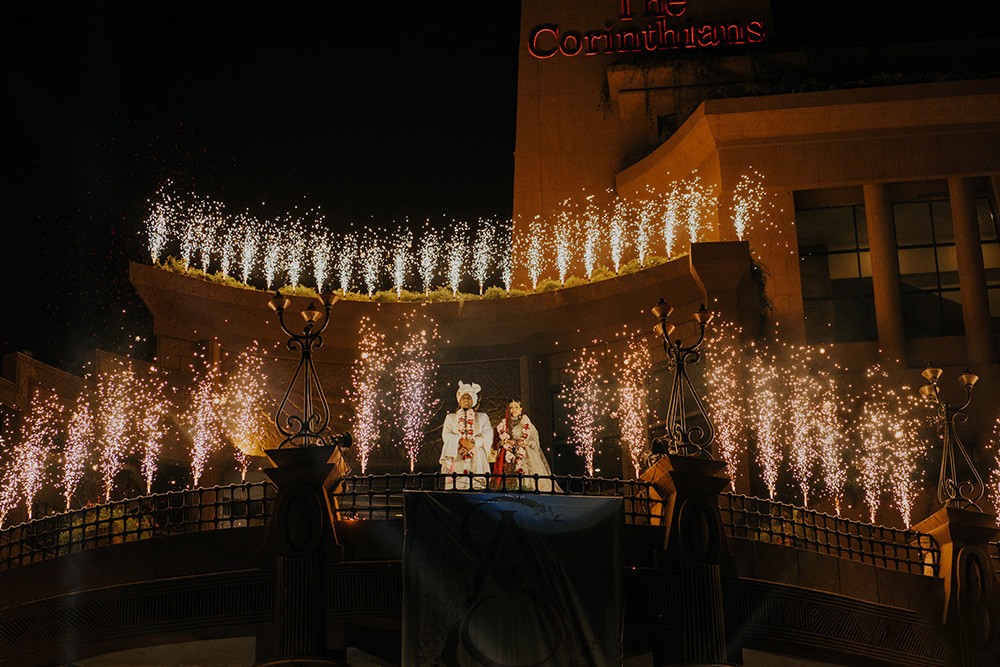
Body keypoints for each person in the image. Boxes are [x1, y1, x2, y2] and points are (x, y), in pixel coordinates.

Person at [495, 399, 560, 492]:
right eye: (511, 407)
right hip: (508, 457)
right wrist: (506, 442)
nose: (514, 409)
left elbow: (535, 443)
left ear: (521, 409)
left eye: (516, 407)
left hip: (526, 456)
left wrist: (525, 442)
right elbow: (497, 444)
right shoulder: (503, 426)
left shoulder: (527, 424)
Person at [440, 381, 493, 490]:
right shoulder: (450, 417)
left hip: (477, 456)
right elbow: (446, 435)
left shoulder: (482, 417)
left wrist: (473, 442)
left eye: (469, 398)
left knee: (477, 488)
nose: (466, 400)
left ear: (473, 400)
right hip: (457, 454)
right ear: (459, 400)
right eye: (463, 398)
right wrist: (461, 441)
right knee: (456, 489)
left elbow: (488, 434)